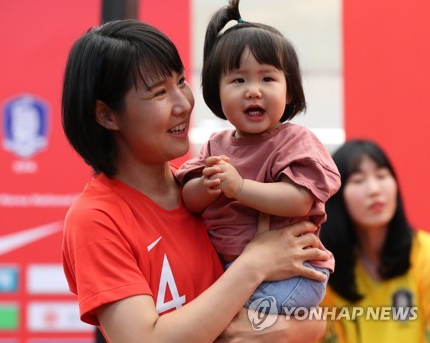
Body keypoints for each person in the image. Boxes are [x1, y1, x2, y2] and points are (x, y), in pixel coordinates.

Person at [61, 19, 329, 342]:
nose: (183, 104)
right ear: (106, 115)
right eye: (159, 93)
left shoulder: (208, 187)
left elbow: (313, 323)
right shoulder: (96, 219)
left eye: (181, 82)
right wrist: (255, 264)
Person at [175, 0, 341, 314]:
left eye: (267, 79)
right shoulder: (214, 145)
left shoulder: (296, 141)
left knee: (227, 318)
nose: (253, 90)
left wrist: (239, 188)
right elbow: (188, 201)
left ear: (289, 92)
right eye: (238, 80)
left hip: (293, 273)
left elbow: (299, 200)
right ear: (217, 92)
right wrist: (206, 186)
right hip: (230, 270)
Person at [319, 139, 430, 342]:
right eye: (358, 180)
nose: (374, 190)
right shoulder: (323, 266)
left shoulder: (425, 254)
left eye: (381, 176)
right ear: (337, 196)